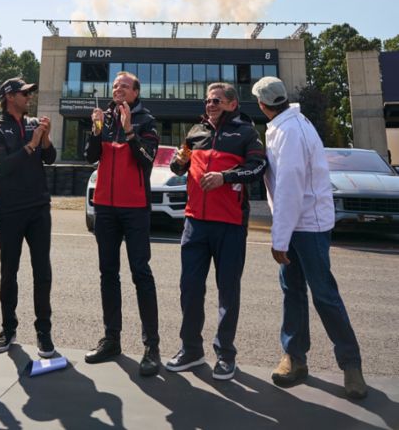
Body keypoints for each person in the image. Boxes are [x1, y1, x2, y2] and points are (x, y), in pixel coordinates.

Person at [252, 76, 367, 400]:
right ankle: (295, 357)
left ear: (263, 105)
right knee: (293, 292)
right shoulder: (290, 124)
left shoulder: (289, 131)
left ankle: (351, 364)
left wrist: (279, 239)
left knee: (323, 295)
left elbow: (289, 188)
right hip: (300, 223)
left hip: (305, 226)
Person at [165, 82, 266, 380]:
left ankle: (225, 354)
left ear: (233, 104)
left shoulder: (246, 132)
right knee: (190, 288)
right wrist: (179, 161)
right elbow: (176, 167)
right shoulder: (195, 132)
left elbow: (259, 167)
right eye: (208, 100)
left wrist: (225, 177)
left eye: (218, 100)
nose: (211, 104)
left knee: (228, 292)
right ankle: (192, 350)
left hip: (231, 224)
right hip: (194, 222)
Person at [84, 71, 161, 377]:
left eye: (124, 86)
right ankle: (111, 339)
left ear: (136, 92)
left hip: (135, 210)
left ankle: (151, 347)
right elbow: (91, 157)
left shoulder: (147, 121)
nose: (118, 89)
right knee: (107, 273)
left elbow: (146, 160)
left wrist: (130, 131)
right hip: (105, 208)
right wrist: (94, 130)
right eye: (115, 86)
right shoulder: (105, 119)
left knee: (141, 273)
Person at [0, 77, 57, 358]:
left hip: (38, 207)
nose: (29, 97)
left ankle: (44, 332)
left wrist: (44, 139)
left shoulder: (33, 123)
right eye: (24, 93)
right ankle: (8, 327)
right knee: (9, 271)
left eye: (29, 93)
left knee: (43, 272)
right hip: (10, 210)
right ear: (9, 97)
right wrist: (31, 144)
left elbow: (49, 158)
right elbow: (2, 166)